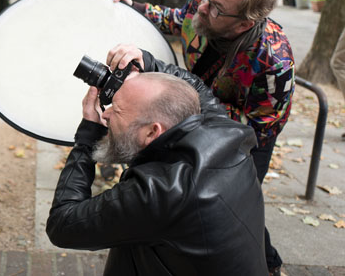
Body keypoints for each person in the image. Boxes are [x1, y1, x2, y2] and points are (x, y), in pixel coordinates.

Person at [111, 0, 293, 275]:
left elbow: (262, 125)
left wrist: (194, 109)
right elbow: (179, 19)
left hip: (244, 137)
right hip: (193, 115)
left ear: (243, 25)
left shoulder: (274, 61)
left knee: (235, 205)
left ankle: (267, 263)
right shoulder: (207, 2)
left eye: (217, 7)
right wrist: (137, 8)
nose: (203, 5)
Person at [46, 44, 268, 275]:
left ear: (153, 132)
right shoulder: (225, 130)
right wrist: (146, 63)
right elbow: (194, 87)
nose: (105, 113)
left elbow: (62, 224)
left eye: (117, 110)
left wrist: (87, 138)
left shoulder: (159, 194)